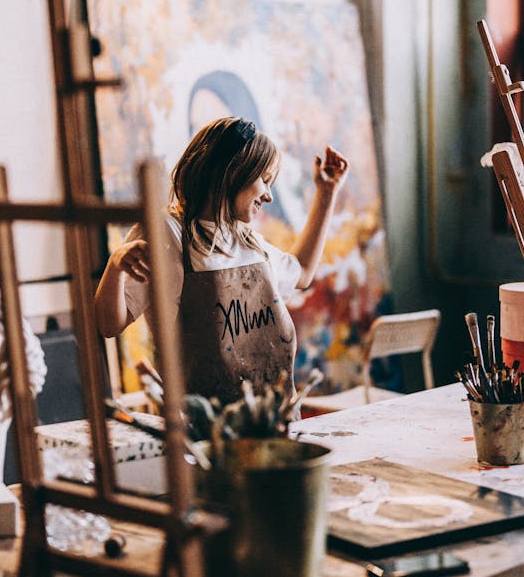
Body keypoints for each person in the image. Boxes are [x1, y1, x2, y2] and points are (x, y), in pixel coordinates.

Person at [94, 116, 349, 405]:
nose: (269, 196)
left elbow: (301, 272)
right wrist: (116, 266)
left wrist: (327, 193)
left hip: (274, 429)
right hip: (208, 439)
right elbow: (109, 324)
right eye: (264, 181)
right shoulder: (168, 234)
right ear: (232, 173)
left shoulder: (247, 240)